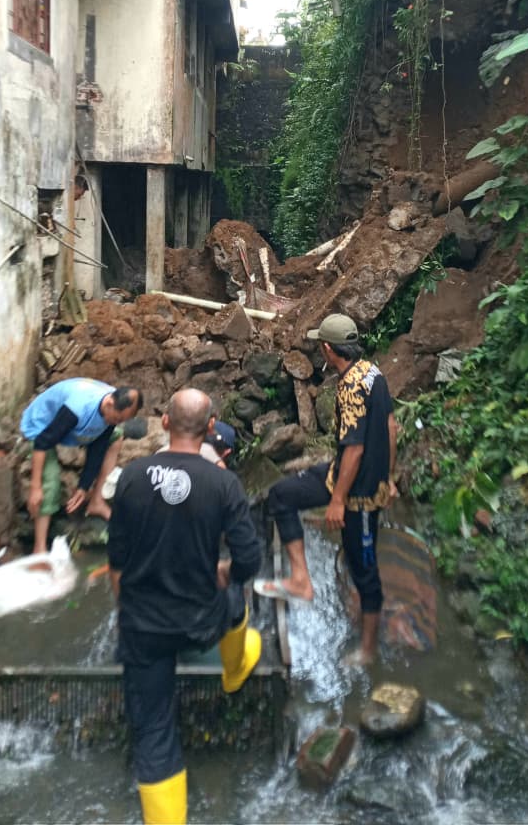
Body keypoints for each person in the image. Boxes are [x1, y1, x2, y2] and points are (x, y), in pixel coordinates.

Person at [107, 388, 262, 825]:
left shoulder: (133, 476)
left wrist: (127, 612)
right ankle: (234, 672)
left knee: (154, 733)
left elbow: (116, 557)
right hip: (201, 619)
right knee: (236, 602)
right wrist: (225, 572)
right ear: (211, 428)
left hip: (143, 625)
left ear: (165, 423)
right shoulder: (223, 483)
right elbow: (249, 560)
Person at [256, 313, 398, 666]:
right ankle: (301, 580)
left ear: (326, 349)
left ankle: (367, 650)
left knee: (364, 568)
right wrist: (390, 475)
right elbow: (391, 427)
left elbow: (355, 449)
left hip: (358, 493)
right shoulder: (372, 372)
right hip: (349, 476)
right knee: (282, 496)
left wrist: (337, 501)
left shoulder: (350, 387)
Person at [20, 377, 142, 554]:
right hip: (41, 427)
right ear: (109, 403)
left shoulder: (111, 412)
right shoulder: (77, 408)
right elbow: (43, 442)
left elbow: (98, 448)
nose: (115, 422)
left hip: (71, 429)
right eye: (116, 418)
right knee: (50, 482)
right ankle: (39, 547)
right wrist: (35, 486)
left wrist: (84, 486)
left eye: (121, 420)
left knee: (116, 437)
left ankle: (96, 501)